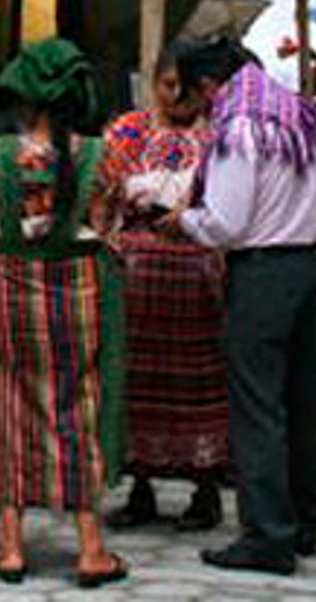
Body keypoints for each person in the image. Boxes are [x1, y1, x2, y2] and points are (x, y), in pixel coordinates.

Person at [0, 38, 127, 587]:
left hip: (11, 289)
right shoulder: (104, 159)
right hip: (80, 291)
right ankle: (91, 548)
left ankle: (10, 548)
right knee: (80, 405)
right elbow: (109, 226)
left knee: (8, 406)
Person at [165, 40, 316, 577]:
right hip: (308, 265)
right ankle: (303, 520)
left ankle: (266, 535)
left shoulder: (239, 126)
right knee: (300, 403)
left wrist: (182, 222)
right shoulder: (298, 112)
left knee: (257, 407)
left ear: (209, 86)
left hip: (262, 273)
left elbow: (226, 222)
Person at [97, 45, 227, 533]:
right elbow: (104, 190)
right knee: (136, 381)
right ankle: (140, 486)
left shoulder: (218, 137)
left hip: (195, 274)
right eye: (166, 84)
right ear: (152, 84)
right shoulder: (129, 131)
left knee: (196, 381)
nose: (175, 95)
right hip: (135, 277)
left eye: (184, 86)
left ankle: (206, 488)